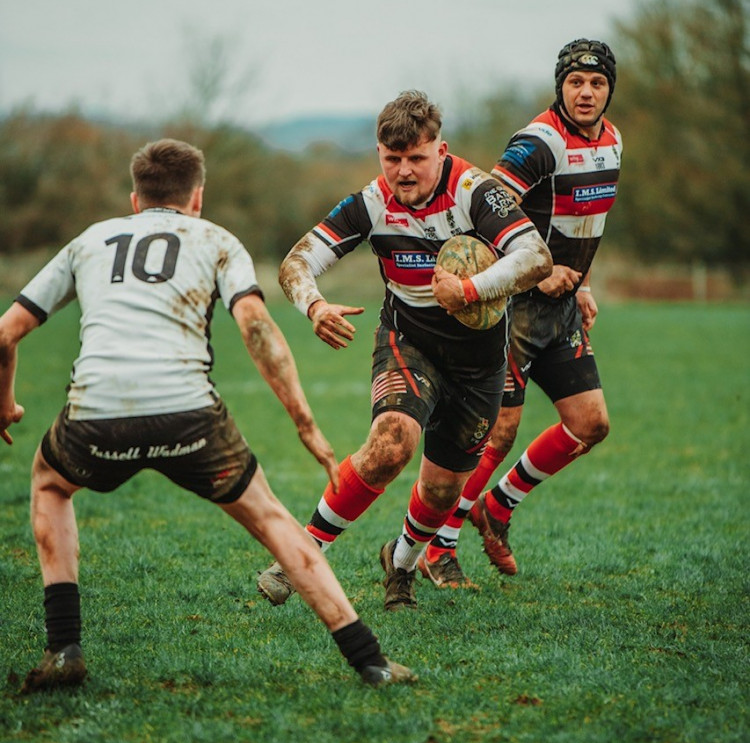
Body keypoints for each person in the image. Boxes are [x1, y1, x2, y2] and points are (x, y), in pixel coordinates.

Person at [0, 138, 415, 692]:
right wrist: (306, 426)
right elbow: (256, 328)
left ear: (134, 198)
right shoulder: (217, 240)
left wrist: (5, 403)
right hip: (189, 419)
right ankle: (371, 661)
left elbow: (5, 334)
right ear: (197, 197)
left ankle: (63, 649)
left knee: (50, 484)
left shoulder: (89, 241)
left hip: (95, 414)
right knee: (272, 519)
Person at [256, 90, 552, 611]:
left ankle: (402, 564)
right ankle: (301, 556)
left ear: (441, 149)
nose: (404, 171)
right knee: (392, 442)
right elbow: (296, 262)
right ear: (379, 155)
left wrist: (470, 290)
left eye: (417, 157)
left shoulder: (474, 191)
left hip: (479, 363)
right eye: (393, 159)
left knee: (442, 491)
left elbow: (536, 258)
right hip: (408, 341)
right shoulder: (371, 202)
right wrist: (315, 306)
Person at [418, 39, 622, 581]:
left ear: (609, 91)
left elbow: (585, 222)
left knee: (590, 423)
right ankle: (440, 545)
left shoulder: (613, 143)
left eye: (597, 83)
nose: (585, 92)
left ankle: (499, 504)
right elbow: (488, 203)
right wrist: (541, 267)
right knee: (497, 432)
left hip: (561, 310)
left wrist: (579, 283)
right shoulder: (538, 142)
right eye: (576, 82)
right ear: (560, 86)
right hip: (517, 308)